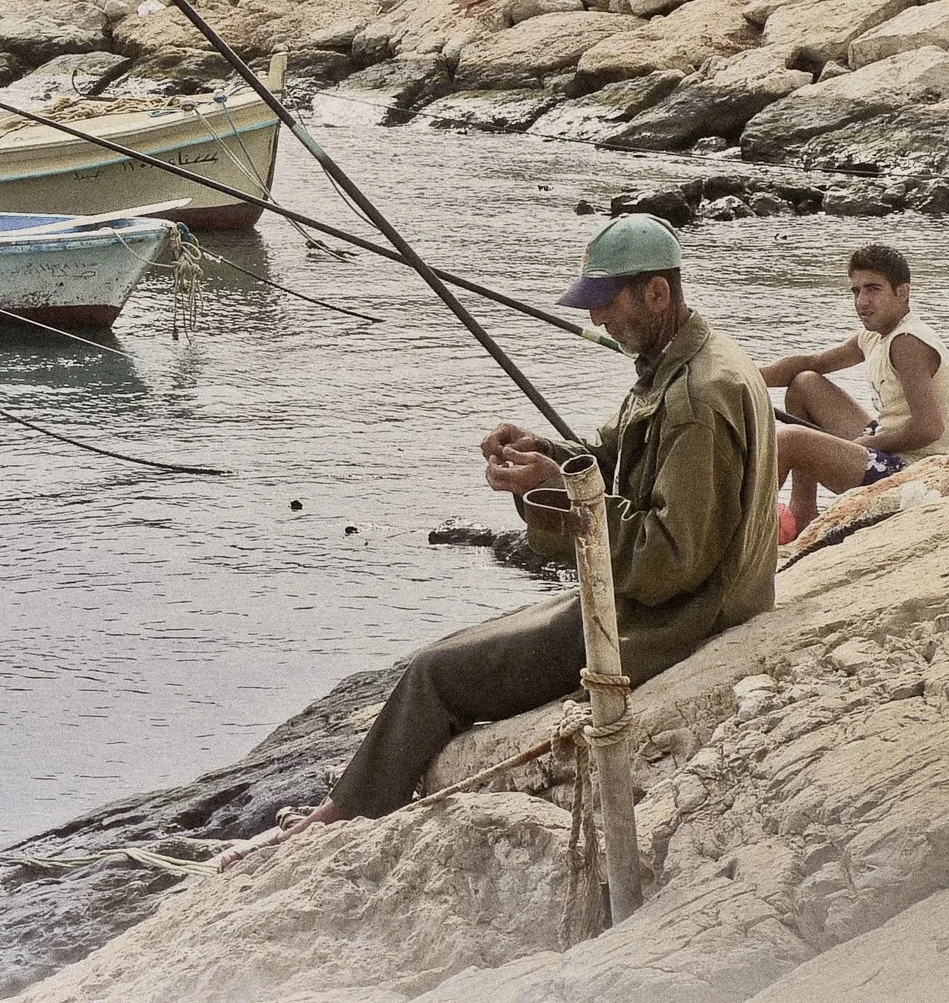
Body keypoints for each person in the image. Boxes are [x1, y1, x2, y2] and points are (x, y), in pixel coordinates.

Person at [276, 215, 779, 839]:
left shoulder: (697, 397)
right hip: (677, 602)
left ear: (657, 292)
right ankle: (357, 799)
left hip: (676, 620)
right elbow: (614, 454)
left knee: (436, 673)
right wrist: (545, 453)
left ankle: (339, 817)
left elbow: (670, 560)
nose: (597, 320)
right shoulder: (686, 363)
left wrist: (554, 495)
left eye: (607, 303)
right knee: (460, 650)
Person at [759, 244, 949, 532]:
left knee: (788, 440)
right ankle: (803, 512)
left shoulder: (908, 342)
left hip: (916, 472)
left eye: (873, 289)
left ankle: (751, 543)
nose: (862, 302)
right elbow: (813, 362)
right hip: (887, 445)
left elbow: (929, 428)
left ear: (902, 292)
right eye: (856, 291)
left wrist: (868, 444)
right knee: (805, 383)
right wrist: (745, 376)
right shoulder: (873, 336)